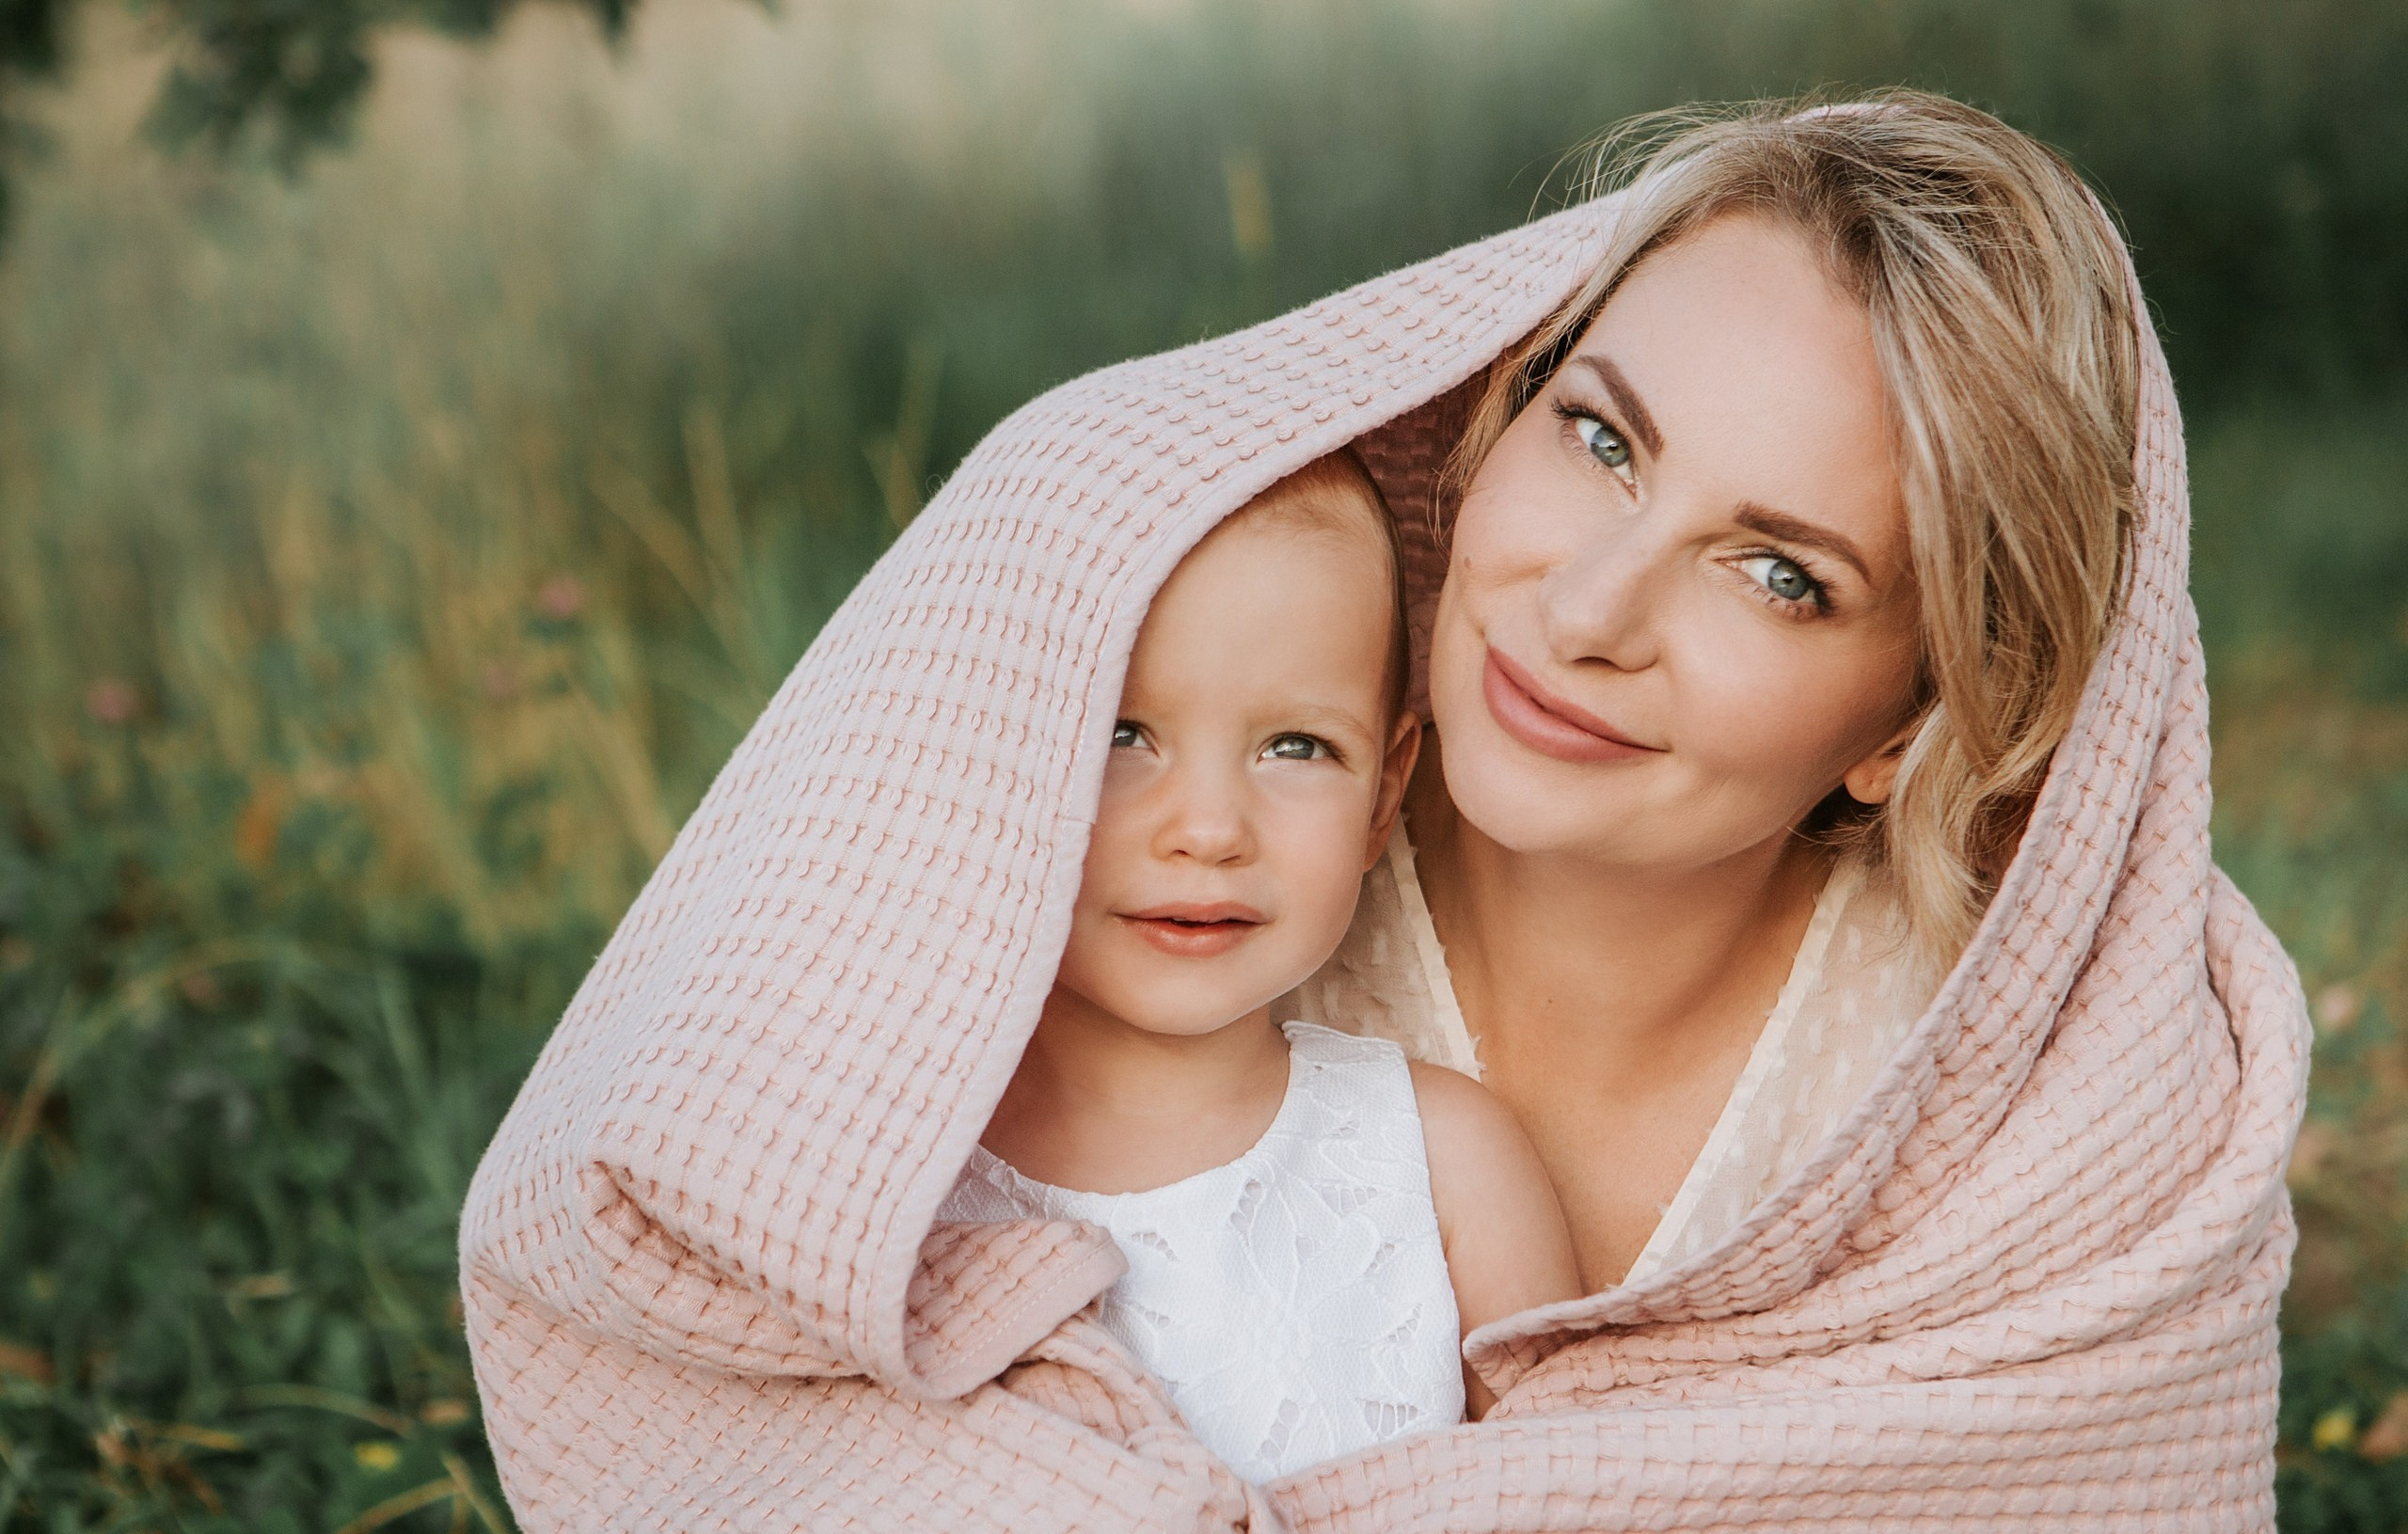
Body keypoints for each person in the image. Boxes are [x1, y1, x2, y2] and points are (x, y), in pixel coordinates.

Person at [462, 91, 2306, 1531]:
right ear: (1498, 395)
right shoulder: (1118, 880)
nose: (1584, 612)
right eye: (1597, 437)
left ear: (1913, 721)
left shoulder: (2040, 1107)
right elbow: (722, 1279)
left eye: (1774, 571)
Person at [941, 450, 1577, 1481]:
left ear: (1383, 795)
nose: (1206, 829)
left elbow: (1571, 1496)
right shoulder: (893, 1161)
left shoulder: (1441, 1163)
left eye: (1294, 746)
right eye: (1122, 733)